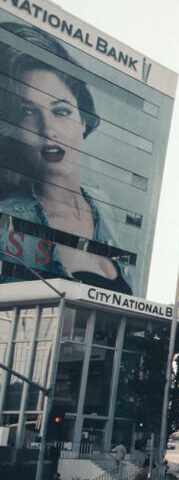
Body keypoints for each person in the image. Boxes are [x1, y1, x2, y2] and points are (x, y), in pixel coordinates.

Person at [0, 22, 131, 294]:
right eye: (28, 112)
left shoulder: (105, 207)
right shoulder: (8, 221)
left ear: (84, 118)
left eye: (60, 111)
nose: (49, 130)